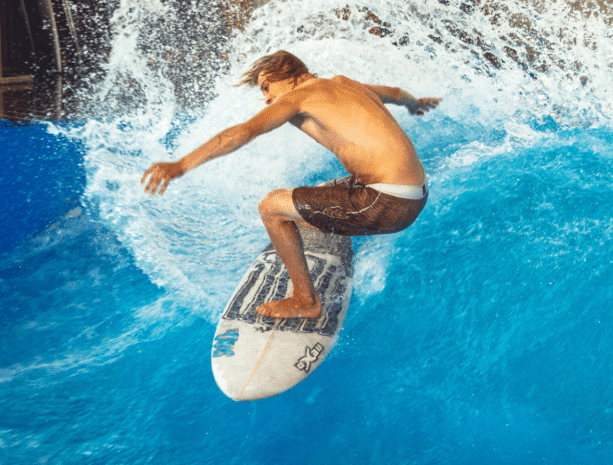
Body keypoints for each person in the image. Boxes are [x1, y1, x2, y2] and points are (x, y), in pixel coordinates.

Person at [141, 50, 440, 319]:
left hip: (387, 203)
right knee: (320, 191)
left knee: (271, 206)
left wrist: (180, 165)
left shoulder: (300, 95)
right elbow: (396, 93)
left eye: (266, 88)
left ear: (281, 73)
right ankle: (312, 224)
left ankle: (305, 300)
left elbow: (244, 131)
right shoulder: (343, 82)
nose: (268, 99)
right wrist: (416, 104)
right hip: (414, 193)